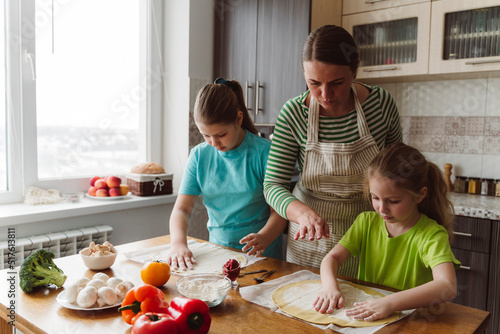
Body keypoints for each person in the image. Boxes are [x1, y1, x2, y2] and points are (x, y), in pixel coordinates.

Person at [263, 25, 402, 275]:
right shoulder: (294, 113)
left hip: (367, 231)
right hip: (309, 238)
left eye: (337, 83)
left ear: (355, 68)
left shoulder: (381, 105)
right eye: (313, 83)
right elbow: (273, 185)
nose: (325, 95)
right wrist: (302, 214)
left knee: (363, 308)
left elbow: (397, 173)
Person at [313, 143, 460, 321]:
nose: (382, 209)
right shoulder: (366, 222)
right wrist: (329, 287)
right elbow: (333, 258)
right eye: (375, 198)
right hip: (369, 315)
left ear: (420, 195)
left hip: (411, 320)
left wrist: (390, 303)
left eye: (393, 201)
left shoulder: (431, 235)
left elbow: (447, 286)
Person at [166, 78, 286, 270]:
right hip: (218, 251)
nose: (214, 143)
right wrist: (178, 244)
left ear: (238, 120)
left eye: (221, 135)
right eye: (206, 135)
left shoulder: (265, 152)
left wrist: (265, 237)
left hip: (263, 255)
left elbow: (280, 211)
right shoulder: (199, 155)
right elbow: (182, 209)